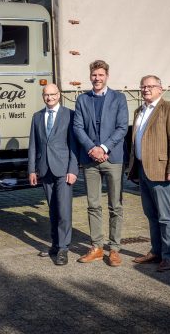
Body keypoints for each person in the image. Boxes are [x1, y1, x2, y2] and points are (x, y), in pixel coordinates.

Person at [73, 60, 128, 266]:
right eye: (94, 75)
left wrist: (104, 148)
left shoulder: (119, 98)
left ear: (107, 76)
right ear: (90, 76)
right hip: (90, 160)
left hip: (113, 158)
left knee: (115, 205)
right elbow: (78, 127)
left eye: (101, 75)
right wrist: (92, 148)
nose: (97, 78)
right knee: (93, 205)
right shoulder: (82, 99)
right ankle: (96, 247)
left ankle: (114, 249)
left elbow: (122, 127)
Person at [127, 75, 170, 272]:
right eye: (143, 86)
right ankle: (156, 252)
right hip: (143, 169)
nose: (146, 89)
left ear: (160, 89)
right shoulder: (139, 111)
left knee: (165, 217)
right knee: (151, 214)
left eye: (151, 86)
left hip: (161, 171)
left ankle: (168, 257)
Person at [28, 83, 78, 266]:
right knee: (53, 209)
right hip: (45, 169)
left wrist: (73, 169)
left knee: (64, 210)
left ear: (59, 95)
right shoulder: (37, 116)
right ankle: (55, 244)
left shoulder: (70, 115)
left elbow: (74, 145)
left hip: (63, 170)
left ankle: (64, 248)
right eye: (46, 95)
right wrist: (32, 169)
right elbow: (33, 145)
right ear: (43, 96)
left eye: (52, 94)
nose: (49, 98)